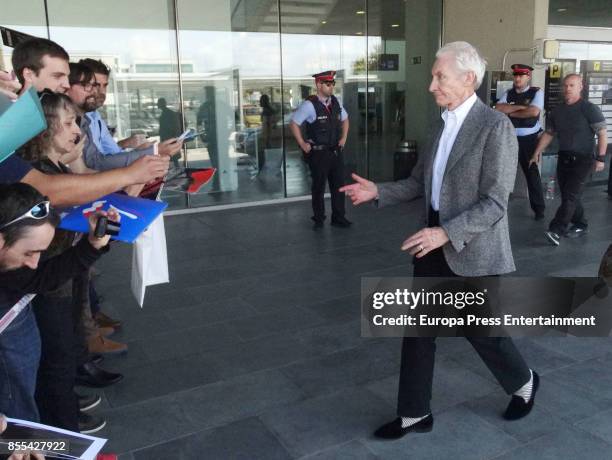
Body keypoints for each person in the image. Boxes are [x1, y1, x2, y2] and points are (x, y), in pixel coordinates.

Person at [341, 41, 538, 439]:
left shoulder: (495, 127)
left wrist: (446, 232)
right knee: (418, 331)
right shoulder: (438, 125)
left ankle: (525, 382)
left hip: (472, 246)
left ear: (468, 79)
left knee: (480, 330)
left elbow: (496, 202)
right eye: (433, 76)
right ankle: (414, 413)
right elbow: (418, 183)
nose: (431, 85)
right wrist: (379, 191)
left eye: (439, 76)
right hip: (430, 243)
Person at [19, 93, 122, 434]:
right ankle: (63, 437)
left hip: (66, 273)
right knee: (57, 359)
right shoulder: (40, 177)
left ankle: (65, 422)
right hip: (48, 283)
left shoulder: (58, 166)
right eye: (67, 123)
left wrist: (75, 159)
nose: (76, 130)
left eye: (76, 122)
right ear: (42, 128)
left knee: (66, 351)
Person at [4, 37, 170, 205]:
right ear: (29, 75)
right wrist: (129, 175)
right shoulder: (8, 125)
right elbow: (43, 190)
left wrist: (132, 178)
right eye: (57, 76)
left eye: (67, 77)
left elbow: (79, 172)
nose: (67, 85)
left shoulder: (38, 120)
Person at [0, 183, 115, 423]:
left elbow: (38, 278)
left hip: (16, 328)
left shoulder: (14, 262)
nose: (34, 263)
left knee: (24, 403)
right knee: (16, 412)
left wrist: (92, 246)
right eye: (29, 253)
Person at [531, 74, 608, 246]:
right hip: (565, 159)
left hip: (584, 160)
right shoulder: (557, 111)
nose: (567, 89)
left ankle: (556, 230)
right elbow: (549, 133)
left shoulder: (589, 108)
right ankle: (581, 223)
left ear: (581, 87)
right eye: (565, 85)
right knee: (569, 195)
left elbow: (602, 133)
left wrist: (601, 158)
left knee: (570, 196)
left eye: (572, 85)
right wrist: (537, 152)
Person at [66, 63, 182, 172]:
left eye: (103, 86)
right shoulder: (81, 120)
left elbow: (110, 153)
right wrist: (150, 152)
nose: (97, 92)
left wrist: (142, 152)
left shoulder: (91, 118)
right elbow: (94, 163)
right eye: (89, 85)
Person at [290, 70, 351, 229]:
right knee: (318, 187)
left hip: (335, 151)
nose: (331, 87)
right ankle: (318, 219)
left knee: (339, 185)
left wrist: (343, 139)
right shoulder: (310, 105)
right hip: (318, 153)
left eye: (333, 84)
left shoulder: (336, 103)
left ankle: (339, 217)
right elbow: (294, 123)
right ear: (318, 85)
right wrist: (302, 143)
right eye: (328, 84)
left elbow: (345, 120)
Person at [495, 64, 546, 220]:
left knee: (531, 173)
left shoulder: (536, 92)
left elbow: (533, 112)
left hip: (528, 139)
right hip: (509, 138)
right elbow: (498, 108)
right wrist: (521, 108)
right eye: (515, 75)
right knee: (502, 172)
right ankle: (497, 207)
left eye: (521, 76)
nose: (517, 78)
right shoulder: (508, 93)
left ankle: (539, 210)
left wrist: (511, 112)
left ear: (528, 77)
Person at [79, 58, 147, 154]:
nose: (102, 92)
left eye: (105, 85)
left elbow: (112, 152)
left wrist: (126, 144)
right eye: (96, 85)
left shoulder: (95, 116)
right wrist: (151, 152)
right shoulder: (77, 119)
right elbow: (97, 162)